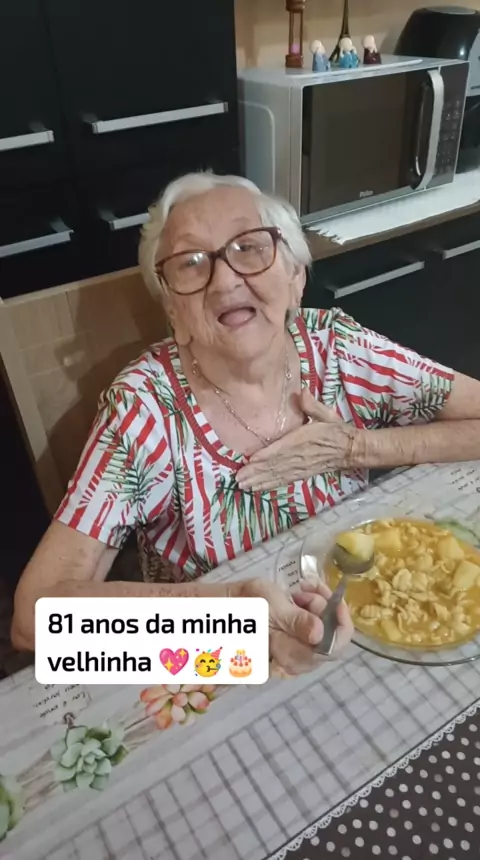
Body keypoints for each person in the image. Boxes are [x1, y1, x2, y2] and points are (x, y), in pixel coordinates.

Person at [11, 172, 480, 675]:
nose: (225, 280)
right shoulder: (145, 407)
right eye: (191, 263)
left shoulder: (338, 347)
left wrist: (357, 448)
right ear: (173, 311)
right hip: (206, 652)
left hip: (362, 608)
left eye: (249, 247)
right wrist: (236, 621)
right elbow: (33, 621)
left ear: (295, 276)